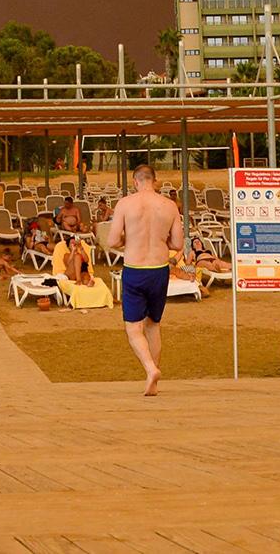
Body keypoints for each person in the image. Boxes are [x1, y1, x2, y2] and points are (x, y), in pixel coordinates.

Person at [103, 164, 184, 395]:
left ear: (135, 181)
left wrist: (129, 239)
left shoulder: (125, 204)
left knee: (133, 328)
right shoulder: (168, 206)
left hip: (135, 268)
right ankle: (154, 380)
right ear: (154, 181)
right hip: (158, 269)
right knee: (153, 324)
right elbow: (178, 244)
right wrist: (160, 241)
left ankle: (150, 369)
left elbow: (111, 240)